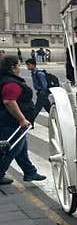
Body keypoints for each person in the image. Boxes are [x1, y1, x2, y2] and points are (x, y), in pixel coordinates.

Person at [0, 56, 46, 184]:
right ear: (13, 67)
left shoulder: (5, 79)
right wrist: (21, 119)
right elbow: (9, 102)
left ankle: (30, 172)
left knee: (21, 148)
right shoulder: (11, 83)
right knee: (11, 150)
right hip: (11, 122)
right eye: (18, 66)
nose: (19, 68)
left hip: (9, 121)